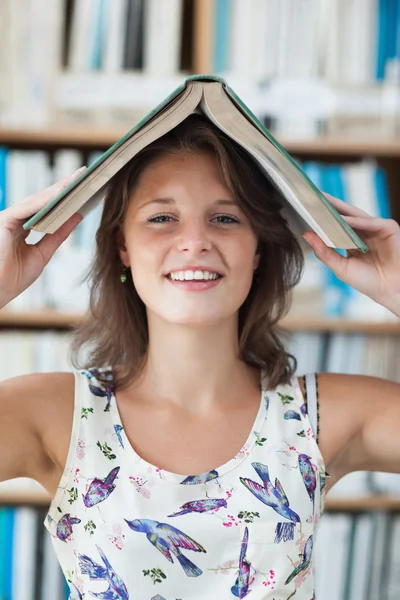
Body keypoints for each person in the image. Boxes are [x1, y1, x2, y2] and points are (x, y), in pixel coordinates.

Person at [0, 115, 399, 599]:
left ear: (257, 251)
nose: (195, 242)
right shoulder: (57, 414)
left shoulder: (323, 416)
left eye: (226, 218)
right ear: (122, 246)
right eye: (162, 218)